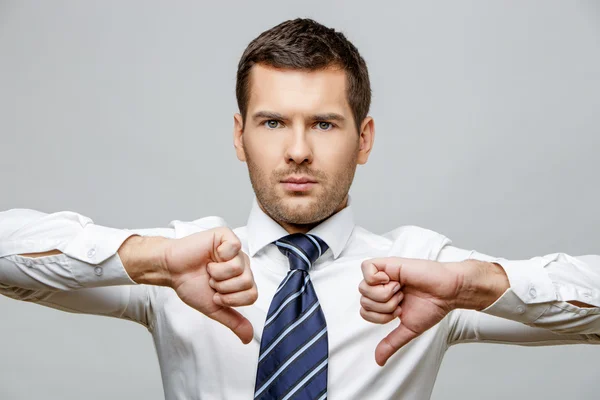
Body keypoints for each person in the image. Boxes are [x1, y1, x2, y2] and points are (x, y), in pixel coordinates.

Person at [1, 18, 599, 400]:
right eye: (272, 122)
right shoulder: (183, 268)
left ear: (363, 139)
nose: (297, 149)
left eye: (324, 123)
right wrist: (149, 261)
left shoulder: (422, 273)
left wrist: (480, 285)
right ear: (239, 137)